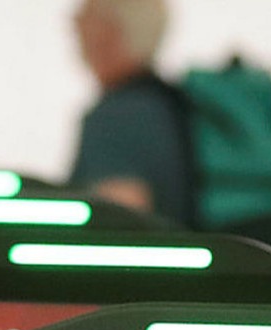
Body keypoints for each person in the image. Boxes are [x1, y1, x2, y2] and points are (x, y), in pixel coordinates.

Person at [68, 0, 194, 224]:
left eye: (87, 13)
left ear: (112, 31)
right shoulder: (163, 105)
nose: (73, 21)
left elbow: (117, 223)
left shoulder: (118, 116)